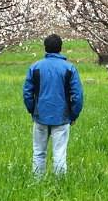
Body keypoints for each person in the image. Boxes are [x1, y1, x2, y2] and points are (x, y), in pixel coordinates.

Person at [22, 34, 84, 177]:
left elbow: (27, 93)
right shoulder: (69, 68)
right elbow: (77, 96)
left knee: (38, 152)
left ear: (45, 48)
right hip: (62, 117)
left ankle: (37, 182)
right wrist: (74, 114)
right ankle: (60, 184)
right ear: (60, 48)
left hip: (40, 116)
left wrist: (32, 110)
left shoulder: (35, 67)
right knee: (59, 153)